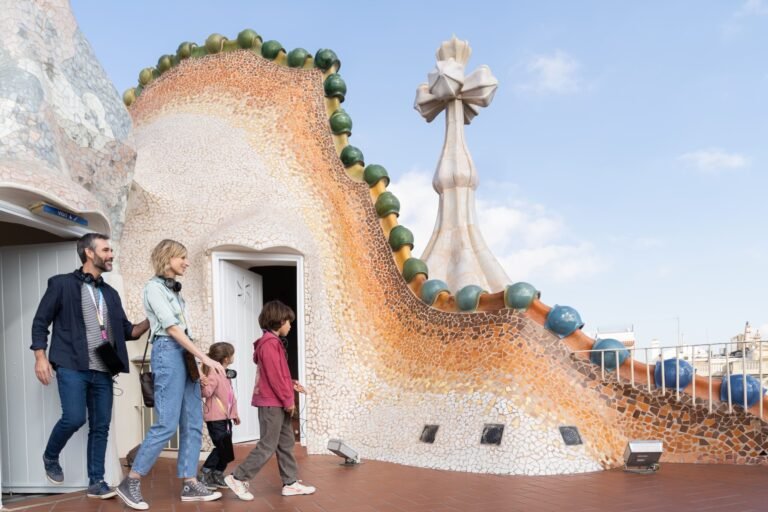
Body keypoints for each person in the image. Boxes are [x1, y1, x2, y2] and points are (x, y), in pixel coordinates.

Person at [31, 232, 150, 499]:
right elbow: (40, 323)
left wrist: (153, 318)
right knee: (74, 418)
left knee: (101, 426)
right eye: (106, 250)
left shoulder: (110, 293)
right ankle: (51, 456)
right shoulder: (61, 284)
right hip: (71, 364)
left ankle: (96, 482)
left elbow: (128, 331)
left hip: (104, 370)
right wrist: (40, 356)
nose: (111, 255)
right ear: (89, 252)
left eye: (111, 251)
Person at [115, 239, 224, 510]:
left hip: (183, 355)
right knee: (167, 423)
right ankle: (131, 481)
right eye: (182, 258)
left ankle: (189, 482)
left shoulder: (173, 290)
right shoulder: (153, 288)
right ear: (168, 258)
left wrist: (196, 364)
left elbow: (182, 331)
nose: (186, 262)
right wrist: (204, 356)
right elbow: (172, 329)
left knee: (194, 420)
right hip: (167, 351)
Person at [225, 300, 316, 501]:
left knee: (286, 442)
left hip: (276, 401)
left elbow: (276, 374)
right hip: (272, 403)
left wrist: (291, 383)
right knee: (268, 444)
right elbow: (274, 376)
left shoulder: (272, 343)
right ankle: (237, 478)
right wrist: (288, 400)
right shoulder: (269, 344)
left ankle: (290, 483)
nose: (290, 326)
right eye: (289, 322)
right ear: (279, 321)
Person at [198, 342, 240, 489]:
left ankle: (217, 474)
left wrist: (234, 414)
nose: (234, 356)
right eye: (232, 354)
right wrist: (202, 382)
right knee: (222, 448)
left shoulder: (224, 372)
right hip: (215, 418)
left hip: (225, 418)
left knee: (227, 449)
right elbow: (206, 393)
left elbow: (229, 397)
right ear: (227, 358)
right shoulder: (214, 372)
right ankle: (205, 473)